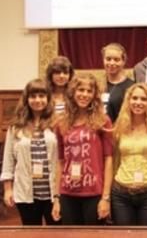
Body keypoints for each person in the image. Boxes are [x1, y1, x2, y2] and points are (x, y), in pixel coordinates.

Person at [54, 74, 113, 225]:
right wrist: (56, 197)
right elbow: (60, 161)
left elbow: (108, 159)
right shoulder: (61, 122)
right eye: (81, 90)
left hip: (93, 192)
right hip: (67, 192)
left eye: (89, 91)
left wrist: (105, 197)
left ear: (94, 95)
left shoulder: (103, 120)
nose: (84, 95)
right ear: (73, 92)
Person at [0, 79, 60, 225]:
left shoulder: (58, 123)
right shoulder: (16, 127)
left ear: (48, 98)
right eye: (33, 96)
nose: (37, 100)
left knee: (57, 233)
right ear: (27, 99)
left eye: (41, 96)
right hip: (26, 192)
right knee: (31, 231)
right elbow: (8, 160)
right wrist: (8, 189)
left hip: (54, 193)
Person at [110, 83, 147, 226]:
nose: (138, 103)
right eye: (134, 98)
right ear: (128, 101)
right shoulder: (119, 128)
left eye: (143, 99)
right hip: (121, 193)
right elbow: (114, 160)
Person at [100, 43, 135, 123]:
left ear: (123, 61)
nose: (112, 63)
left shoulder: (131, 87)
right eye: (108, 59)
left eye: (116, 59)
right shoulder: (97, 85)